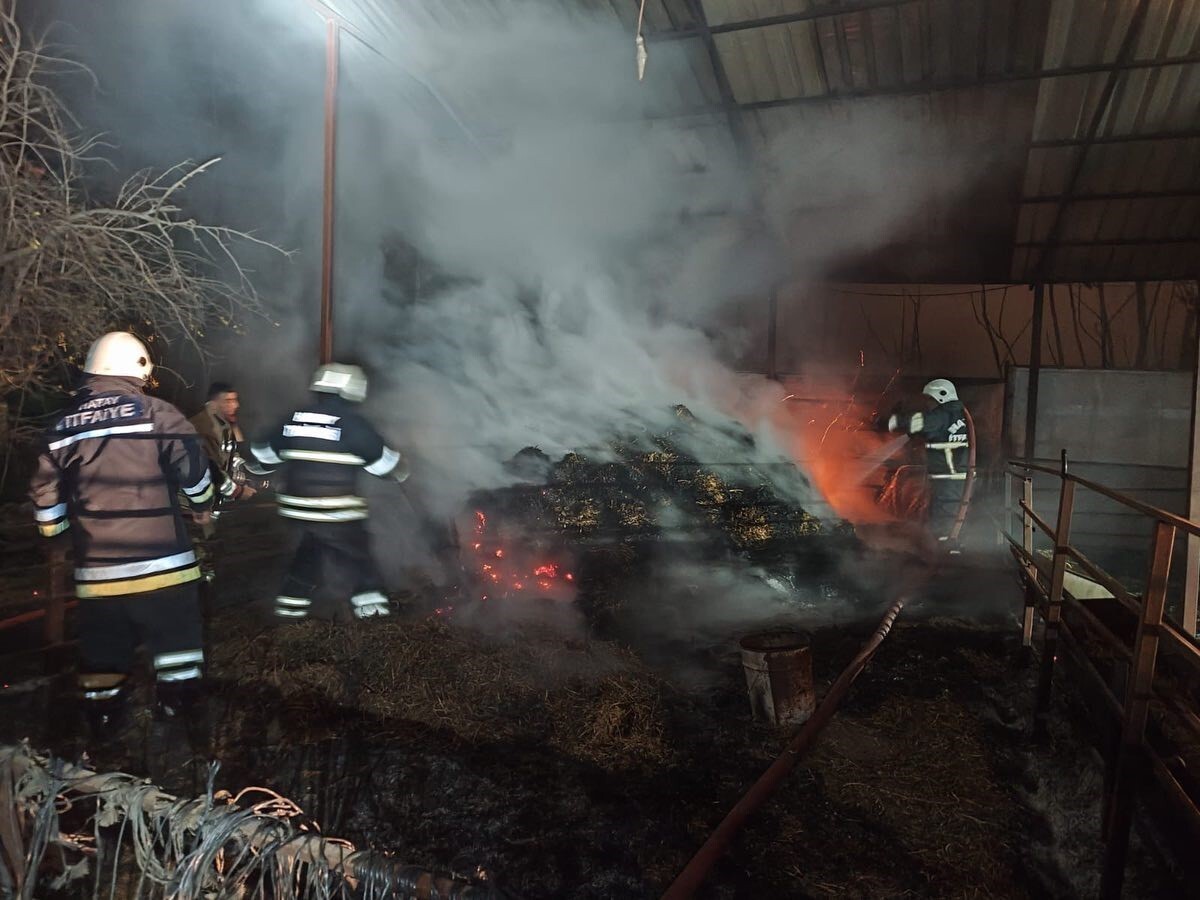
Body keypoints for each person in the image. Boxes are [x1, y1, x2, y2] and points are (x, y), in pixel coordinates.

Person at [28, 332, 215, 741]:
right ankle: (182, 734)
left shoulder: (61, 429)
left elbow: (45, 496)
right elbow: (195, 472)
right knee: (178, 652)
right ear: (138, 369)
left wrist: (57, 532)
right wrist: (203, 505)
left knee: (103, 659)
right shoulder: (160, 415)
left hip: (98, 579)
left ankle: (104, 738)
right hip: (166, 571)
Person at [247, 363, 409, 621]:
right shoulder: (353, 424)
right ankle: (375, 617)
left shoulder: (296, 417)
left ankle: (290, 610)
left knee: (311, 549)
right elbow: (384, 465)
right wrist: (401, 471)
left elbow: (262, 455)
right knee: (359, 557)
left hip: (295, 508)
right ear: (353, 391)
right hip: (335, 510)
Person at [879, 378, 970, 545]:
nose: (928, 404)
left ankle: (944, 554)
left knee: (942, 519)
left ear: (941, 396)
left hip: (947, 477)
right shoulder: (959, 415)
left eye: (930, 399)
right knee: (952, 516)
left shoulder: (942, 415)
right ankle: (949, 547)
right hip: (957, 475)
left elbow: (920, 422)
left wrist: (894, 421)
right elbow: (938, 432)